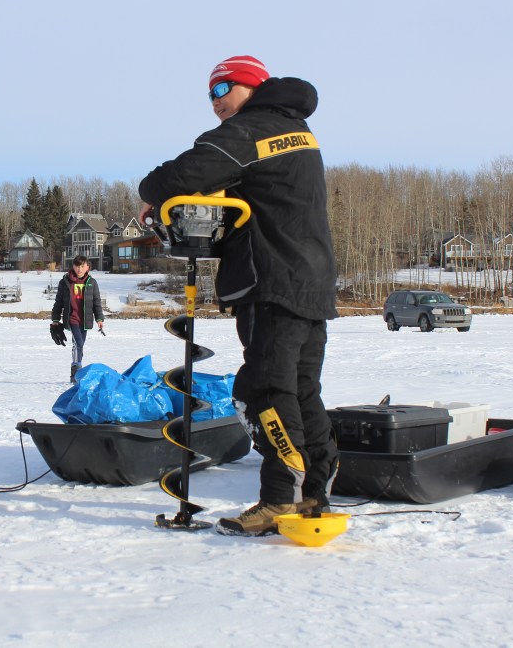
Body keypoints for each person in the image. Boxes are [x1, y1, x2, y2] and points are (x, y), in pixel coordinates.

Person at [138, 56, 339, 536]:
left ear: (251, 86)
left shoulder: (251, 130)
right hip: (310, 280)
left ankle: (280, 497)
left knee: (263, 390)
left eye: (222, 88)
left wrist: (150, 193)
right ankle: (314, 492)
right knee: (301, 390)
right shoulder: (296, 129)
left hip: (273, 281)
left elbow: (180, 175)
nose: (215, 102)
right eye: (209, 93)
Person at [50, 255, 105, 383]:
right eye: (77, 266)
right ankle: (76, 370)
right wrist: (55, 319)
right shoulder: (65, 282)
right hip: (72, 319)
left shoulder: (92, 283)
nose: (79, 269)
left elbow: (96, 302)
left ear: (87, 267)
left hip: (85, 320)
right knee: (78, 344)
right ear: (73, 267)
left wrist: (99, 318)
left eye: (82, 266)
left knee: (80, 346)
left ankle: (77, 371)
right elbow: (58, 302)